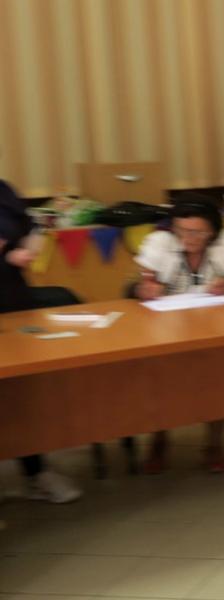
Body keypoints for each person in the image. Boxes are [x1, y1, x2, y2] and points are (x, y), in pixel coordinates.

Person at [133, 195, 224, 474]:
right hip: (167, 332)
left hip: (214, 329)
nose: (188, 238)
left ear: (211, 231)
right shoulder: (160, 242)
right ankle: (159, 441)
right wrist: (143, 289)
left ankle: (215, 444)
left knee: (218, 374)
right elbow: (130, 286)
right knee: (159, 378)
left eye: (197, 232)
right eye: (182, 231)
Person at [0, 179, 83, 503]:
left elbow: (29, 224)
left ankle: (36, 472)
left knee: (21, 393)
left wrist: (27, 247)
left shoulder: (4, 191)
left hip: (12, 300)